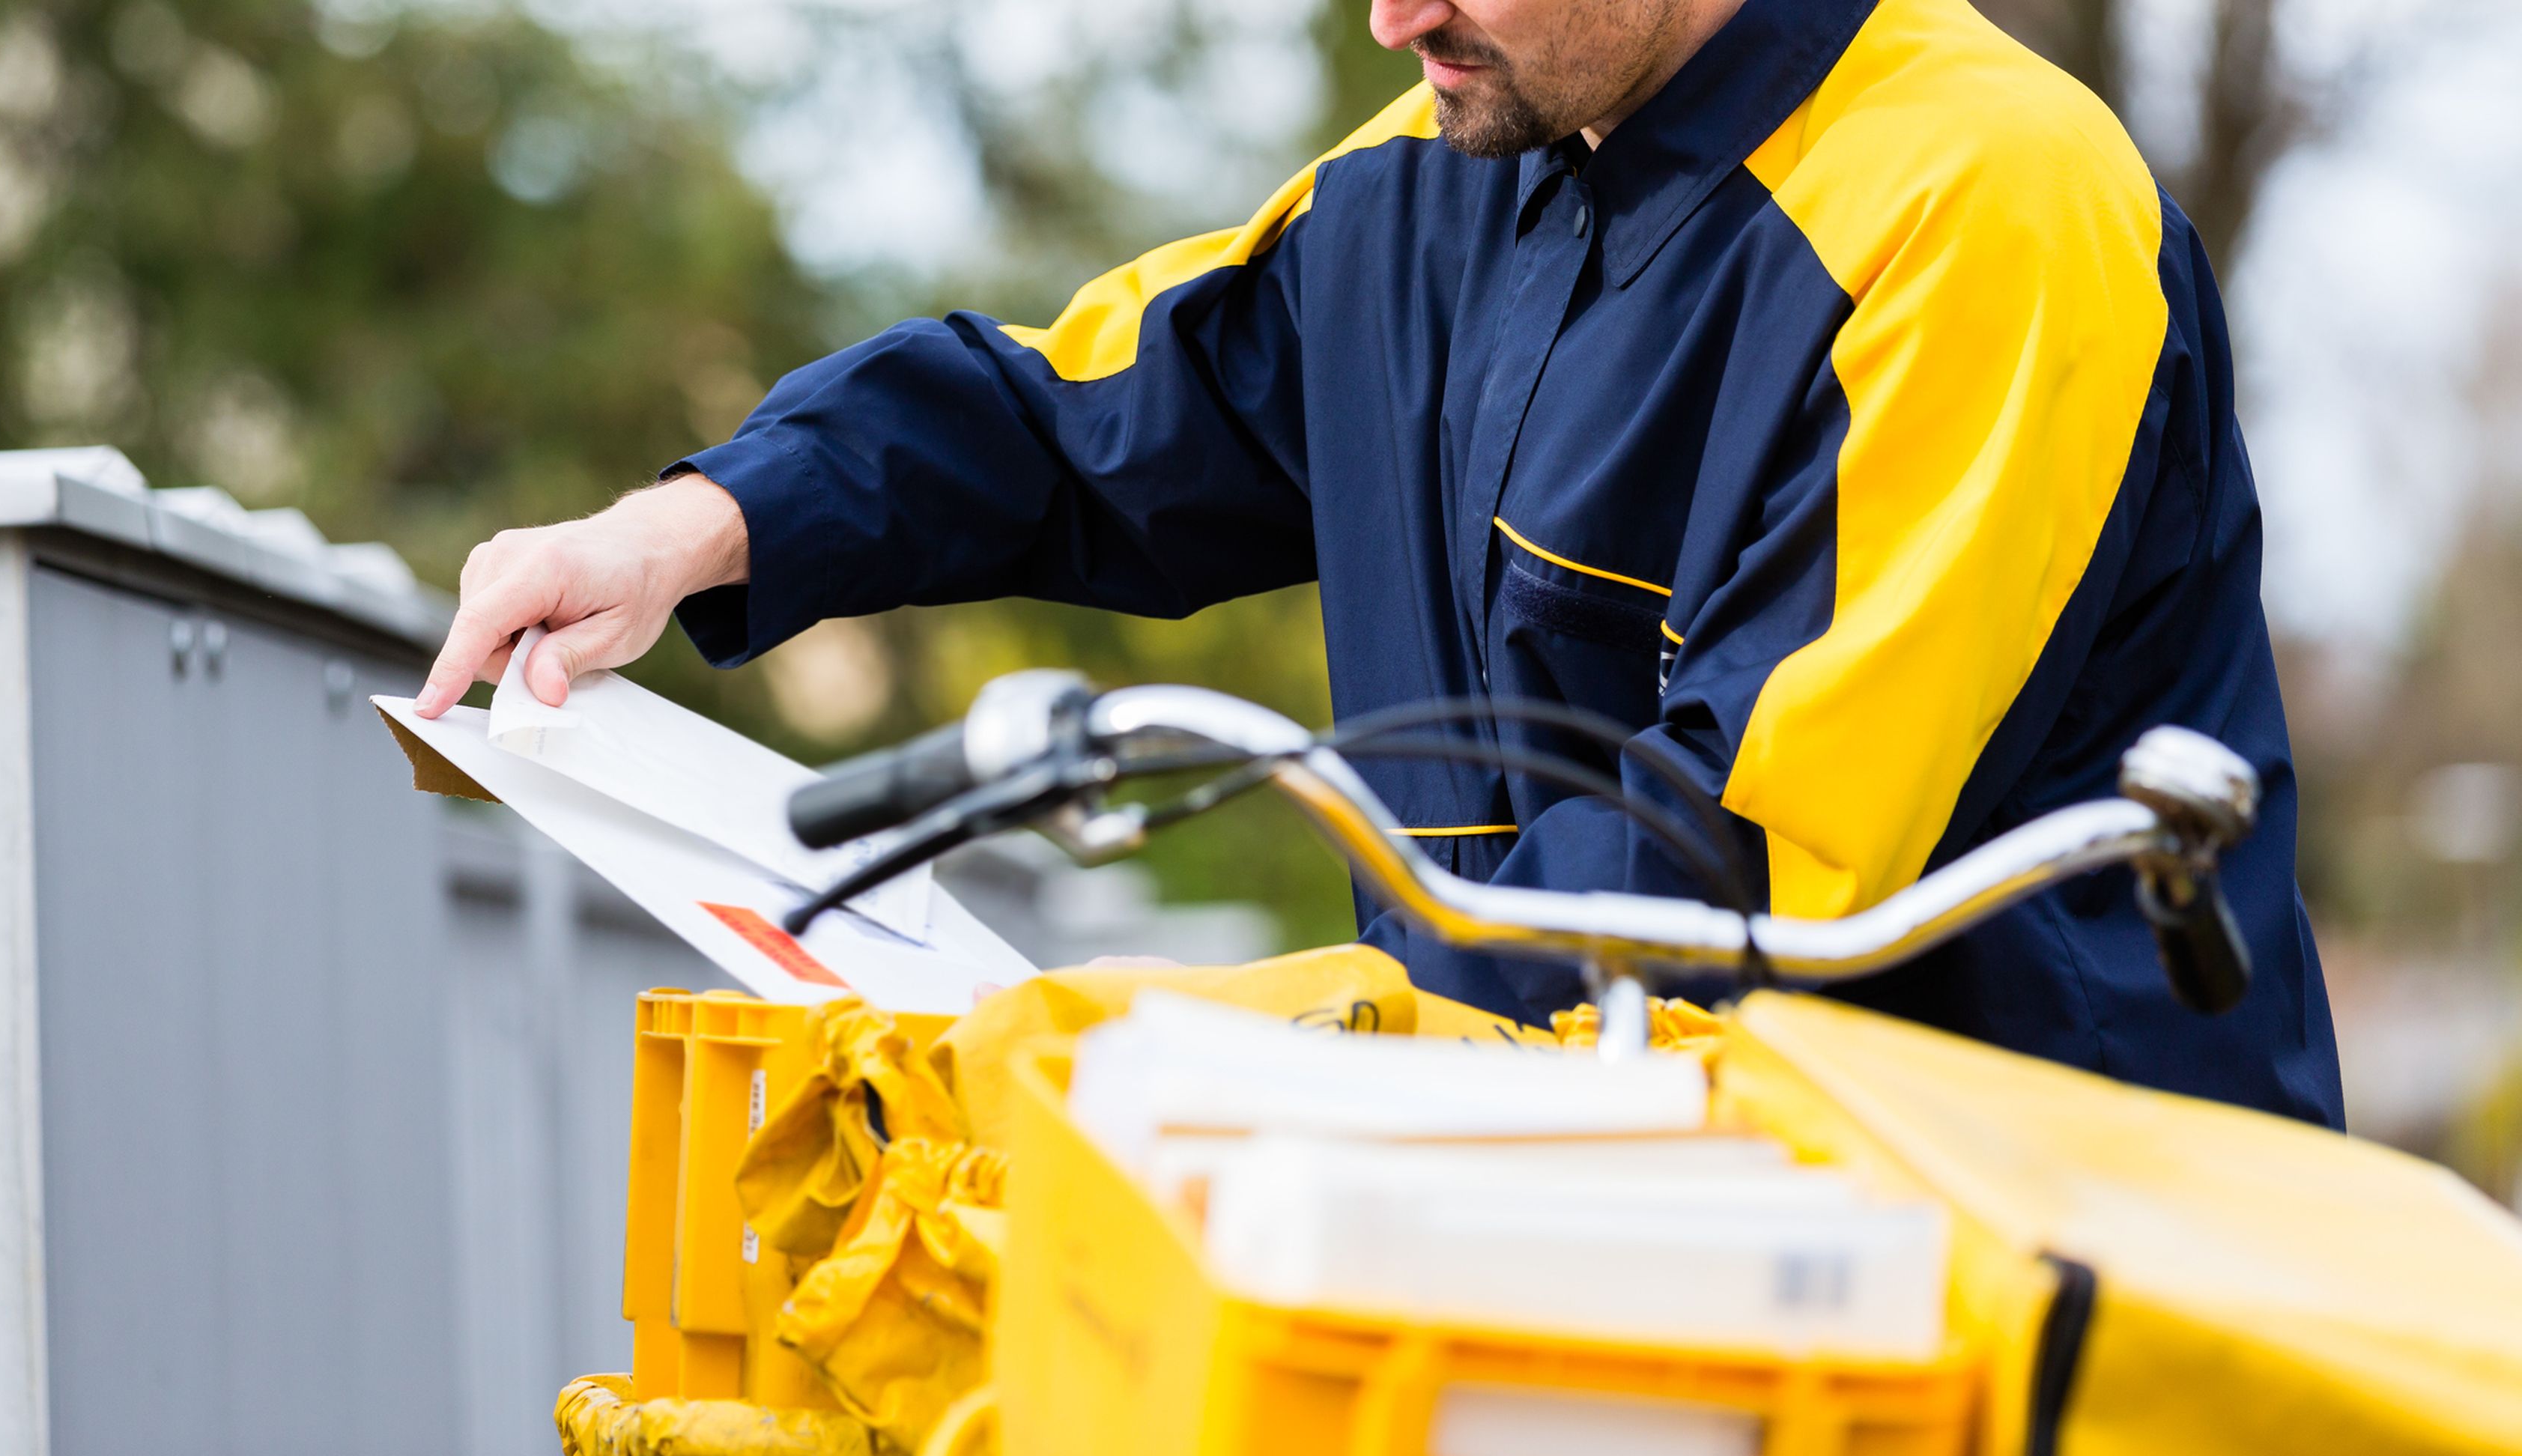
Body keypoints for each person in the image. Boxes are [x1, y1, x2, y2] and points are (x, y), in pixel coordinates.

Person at [416, 0, 2343, 1124]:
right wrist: (700, 524)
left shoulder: (1993, 211)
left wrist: (1221, 1054)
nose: (1392, 14)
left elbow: (1729, 872)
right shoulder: (1446, 170)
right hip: (1594, 1234)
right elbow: (1084, 419)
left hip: (2049, 1291)